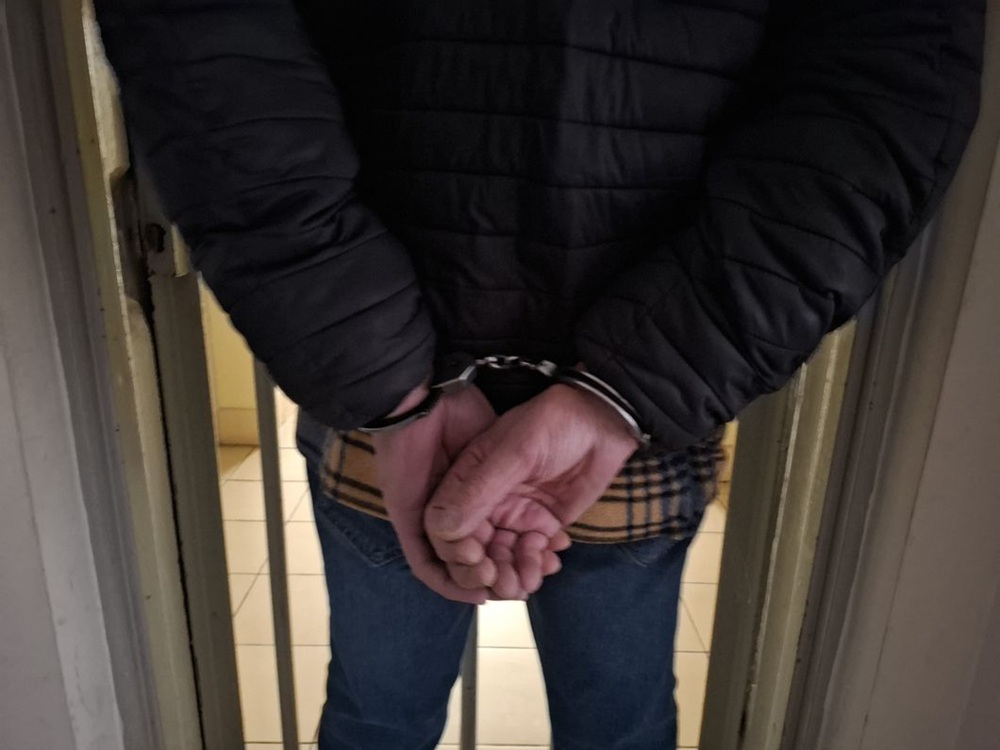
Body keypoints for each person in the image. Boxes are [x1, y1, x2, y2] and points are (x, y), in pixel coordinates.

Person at [95, 0, 984, 747]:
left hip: (409, 399)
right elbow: (882, 91)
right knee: (595, 728)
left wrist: (384, 378)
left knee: (385, 719)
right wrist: (640, 380)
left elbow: (210, 61)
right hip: (611, 406)